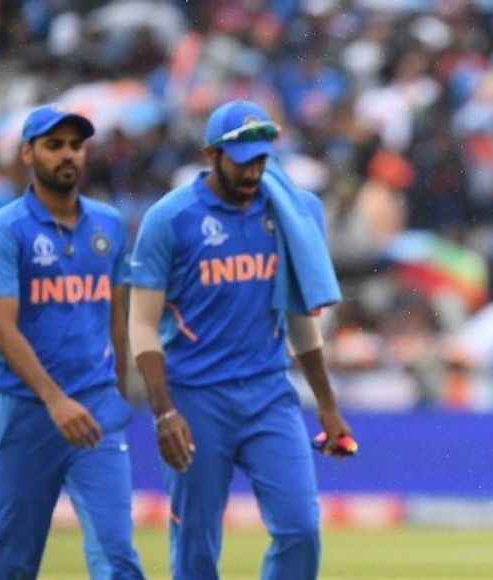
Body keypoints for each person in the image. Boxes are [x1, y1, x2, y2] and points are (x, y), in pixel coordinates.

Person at [127, 99, 352, 580]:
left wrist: (327, 405)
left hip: (269, 394)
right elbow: (141, 323)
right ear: (211, 155)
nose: (253, 172)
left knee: (300, 528)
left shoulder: (283, 212)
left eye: (261, 160)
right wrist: (163, 411)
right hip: (195, 397)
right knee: (196, 542)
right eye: (242, 160)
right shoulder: (170, 218)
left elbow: (298, 314)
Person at [0, 105, 144, 579]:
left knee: (118, 554)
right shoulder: (5, 228)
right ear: (28, 154)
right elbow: (1, 327)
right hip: (24, 409)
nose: (68, 155)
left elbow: (115, 313)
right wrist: (55, 401)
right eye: (54, 145)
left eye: (75, 145)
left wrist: (116, 390)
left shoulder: (109, 224)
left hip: (94, 406)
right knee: (12, 560)